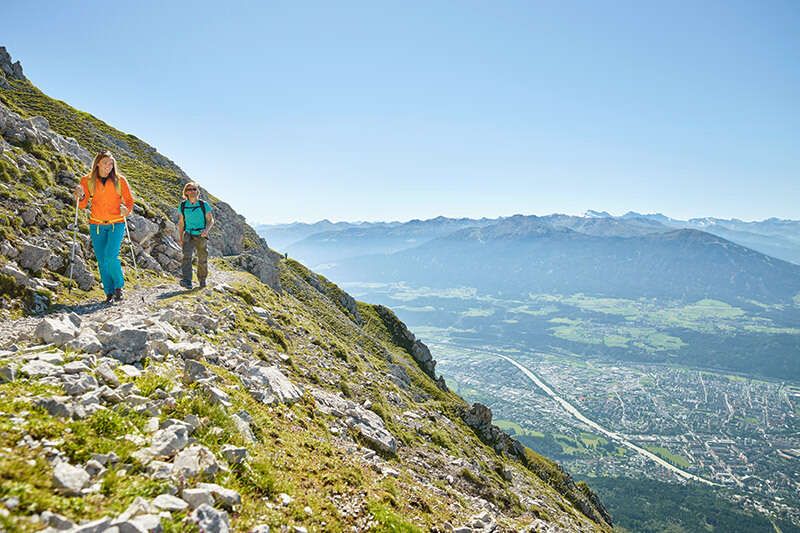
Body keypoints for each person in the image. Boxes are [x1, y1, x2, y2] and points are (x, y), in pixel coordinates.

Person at [73, 150, 135, 303]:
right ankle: (108, 292)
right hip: (97, 225)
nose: (109, 166)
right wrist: (80, 196)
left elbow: (129, 201)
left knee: (111, 256)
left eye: (111, 163)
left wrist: (126, 210)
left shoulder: (120, 181)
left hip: (117, 223)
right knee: (101, 260)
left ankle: (118, 287)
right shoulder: (87, 180)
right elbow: (81, 205)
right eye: (106, 162)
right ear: (98, 163)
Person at [177, 182, 214, 289]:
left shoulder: (203, 205)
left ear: (197, 191)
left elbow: (210, 220)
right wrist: (180, 238)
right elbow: (181, 223)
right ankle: (187, 281)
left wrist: (206, 230)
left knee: (202, 259)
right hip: (188, 234)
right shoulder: (183, 205)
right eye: (189, 189)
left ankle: (202, 280)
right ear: (186, 192)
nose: (192, 191)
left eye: (194, 189)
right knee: (186, 257)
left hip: (201, 235)